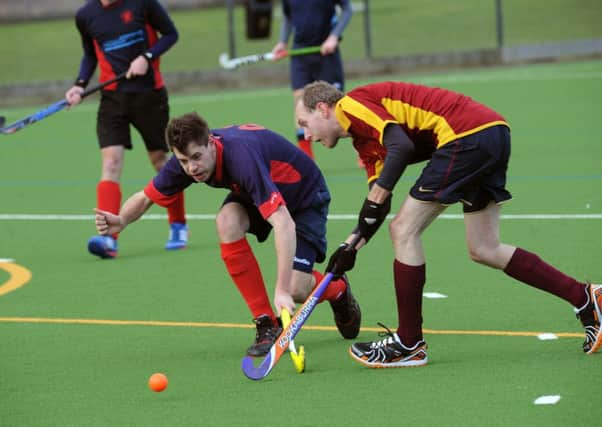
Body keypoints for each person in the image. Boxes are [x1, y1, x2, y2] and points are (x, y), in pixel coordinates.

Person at [295, 80, 601, 368]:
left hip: (464, 135)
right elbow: (379, 202)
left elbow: (401, 147)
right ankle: (586, 298)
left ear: (323, 109)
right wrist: (352, 244)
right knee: (484, 248)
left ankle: (409, 343)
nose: (307, 136)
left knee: (403, 229)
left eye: (305, 125)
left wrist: (373, 206)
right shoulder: (366, 144)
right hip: (490, 132)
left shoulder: (350, 105)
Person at [93, 112, 361, 356]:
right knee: (227, 221)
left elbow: (284, 223)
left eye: (197, 157)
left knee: (296, 288)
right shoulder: (186, 161)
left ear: (211, 142)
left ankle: (337, 289)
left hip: (303, 197)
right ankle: (266, 323)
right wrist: (122, 220)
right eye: (184, 161)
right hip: (257, 192)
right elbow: (146, 197)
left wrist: (280, 290)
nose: (192, 168)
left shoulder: (241, 157)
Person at [65, 0, 188, 259]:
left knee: (160, 161)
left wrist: (147, 57)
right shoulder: (86, 15)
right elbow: (90, 54)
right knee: (110, 163)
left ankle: (178, 225)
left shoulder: (143, 3)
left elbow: (171, 34)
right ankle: (108, 238)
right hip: (112, 99)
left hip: (149, 95)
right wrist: (79, 84)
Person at [271, 0, 353, 161]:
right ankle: (306, 158)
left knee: (339, 104)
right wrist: (282, 42)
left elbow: (347, 10)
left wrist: (334, 37)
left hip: (326, 53)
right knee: (299, 101)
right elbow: (288, 17)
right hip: (300, 53)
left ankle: (363, 149)